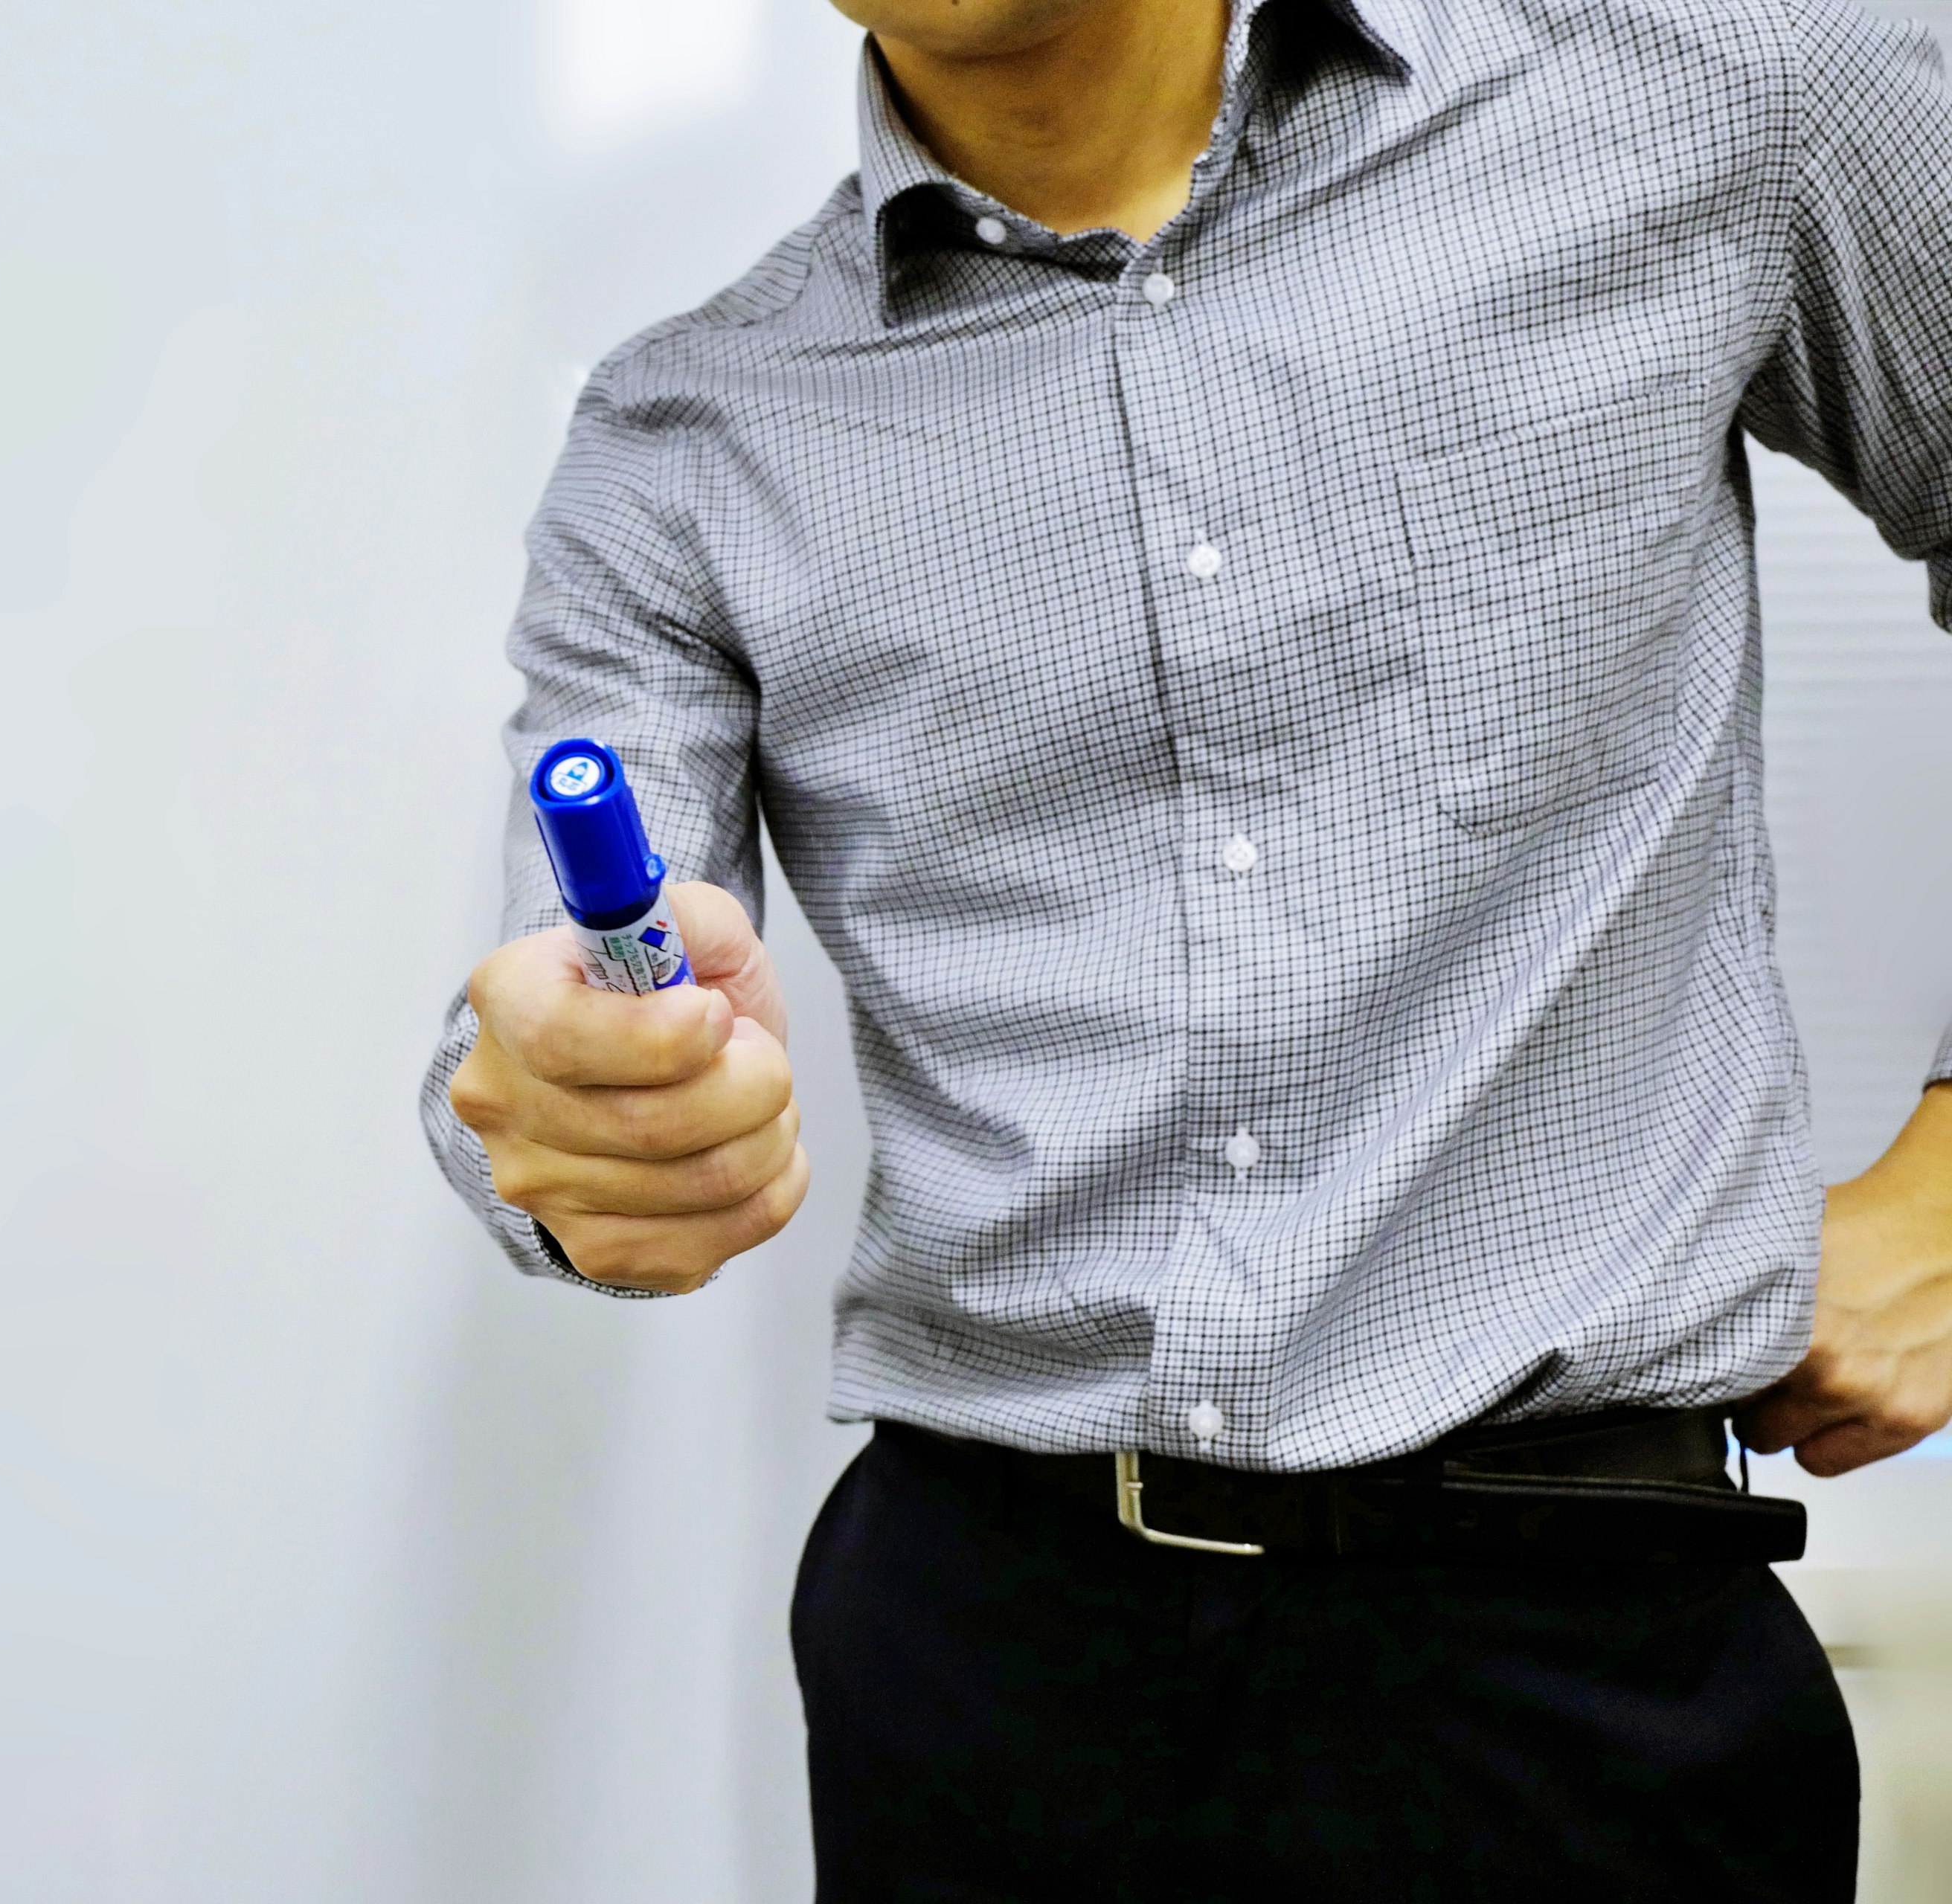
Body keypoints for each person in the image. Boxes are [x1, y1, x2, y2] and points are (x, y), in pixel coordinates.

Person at [420, 0, 1952, 1894]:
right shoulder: (680, 443)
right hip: (993, 1683)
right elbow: (553, 1019)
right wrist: (571, 1125)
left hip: (1592, 1673)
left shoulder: (1706, 84)